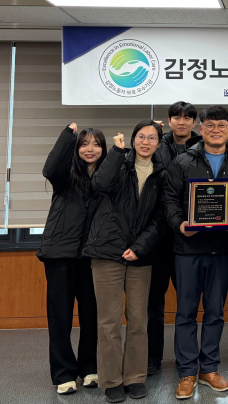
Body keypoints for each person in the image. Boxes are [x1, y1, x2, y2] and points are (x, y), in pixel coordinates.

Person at [164, 105, 228, 400]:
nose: (216, 130)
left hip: (222, 249)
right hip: (188, 249)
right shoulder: (182, 161)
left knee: (215, 312)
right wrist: (180, 225)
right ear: (201, 129)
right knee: (186, 313)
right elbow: (169, 200)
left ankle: (210, 369)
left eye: (222, 125)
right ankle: (187, 372)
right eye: (211, 125)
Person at [83, 120, 165, 403]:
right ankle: (111, 380)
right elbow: (99, 185)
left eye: (152, 138)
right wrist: (117, 152)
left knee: (139, 320)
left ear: (159, 143)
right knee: (108, 322)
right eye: (141, 137)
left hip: (140, 256)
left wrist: (139, 247)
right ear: (132, 140)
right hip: (107, 252)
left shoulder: (161, 173)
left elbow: (160, 217)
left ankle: (135, 377)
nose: (146, 142)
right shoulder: (119, 163)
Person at [38, 123, 107, 395]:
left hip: (93, 256)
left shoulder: (107, 177)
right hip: (60, 255)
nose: (90, 149)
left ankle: (89, 367)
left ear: (103, 149)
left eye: (96, 144)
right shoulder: (65, 175)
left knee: (92, 315)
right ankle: (64, 374)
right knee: (60, 317)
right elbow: (49, 168)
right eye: (84, 144)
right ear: (77, 148)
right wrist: (68, 135)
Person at [147, 101, 199, 376]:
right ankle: (151, 358)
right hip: (158, 236)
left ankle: (185, 358)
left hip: (190, 238)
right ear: (168, 121)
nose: (182, 121)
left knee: (187, 304)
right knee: (153, 302)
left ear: (194, 122)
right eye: (176, 117)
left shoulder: (204, 146)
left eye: (187, 117)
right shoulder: (156, 144)